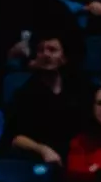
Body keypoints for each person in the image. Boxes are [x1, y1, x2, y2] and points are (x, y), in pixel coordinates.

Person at [6, 35, 83, 166]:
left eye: (52, 50)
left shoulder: (79, 89)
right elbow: (15, 138)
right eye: (41, 50)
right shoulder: (25, 92)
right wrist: (42, 149)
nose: (46, 54)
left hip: (77, 158)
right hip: (38, 160)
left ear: (64, 58)